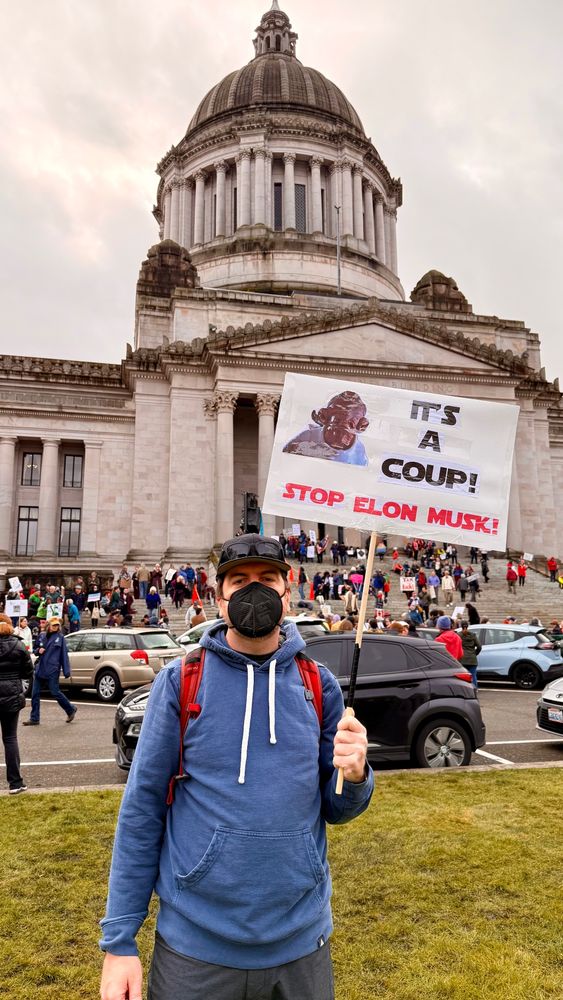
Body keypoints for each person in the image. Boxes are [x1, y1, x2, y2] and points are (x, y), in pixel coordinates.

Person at [100, 534, 372, 1000]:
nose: (254, 590)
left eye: (266, 578)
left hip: (301, 945)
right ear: (219, 596)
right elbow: (143, 808)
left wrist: (356, 774)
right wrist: (120, 941)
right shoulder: (181, 681)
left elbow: (338, 809)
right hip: (195, 952)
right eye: (240, 581)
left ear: (287, 591)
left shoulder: (319, 684)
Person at [0, 614, 33, 793]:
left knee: (10, 738)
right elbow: (28, 671)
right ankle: (15, 782)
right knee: (10, 738)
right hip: (12, 694)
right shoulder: (18, 645)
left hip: (9, 692)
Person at [23, 617, 77, 726]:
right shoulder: (42, 635)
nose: (56, 627)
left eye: (57, 625)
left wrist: (66, 671)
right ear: (49, 625)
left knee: (55, 692)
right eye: (54, 625)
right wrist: (38, 650)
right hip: (40, 668)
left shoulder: (60, 638)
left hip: (52, 670)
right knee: (35, 694)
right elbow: (35, 649)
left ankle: (70, 709)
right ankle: (34, 718)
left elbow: (64, 655)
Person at [460, 621, 482, 687]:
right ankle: (474, 689)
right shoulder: (473, 635)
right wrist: (475, 653)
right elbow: (479, 646)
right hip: (472, 659)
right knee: (473, 675)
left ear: (461, 626)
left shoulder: (458, 635)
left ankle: (465, 689)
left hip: (462, 659)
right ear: (468, 626)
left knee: (463, 676)